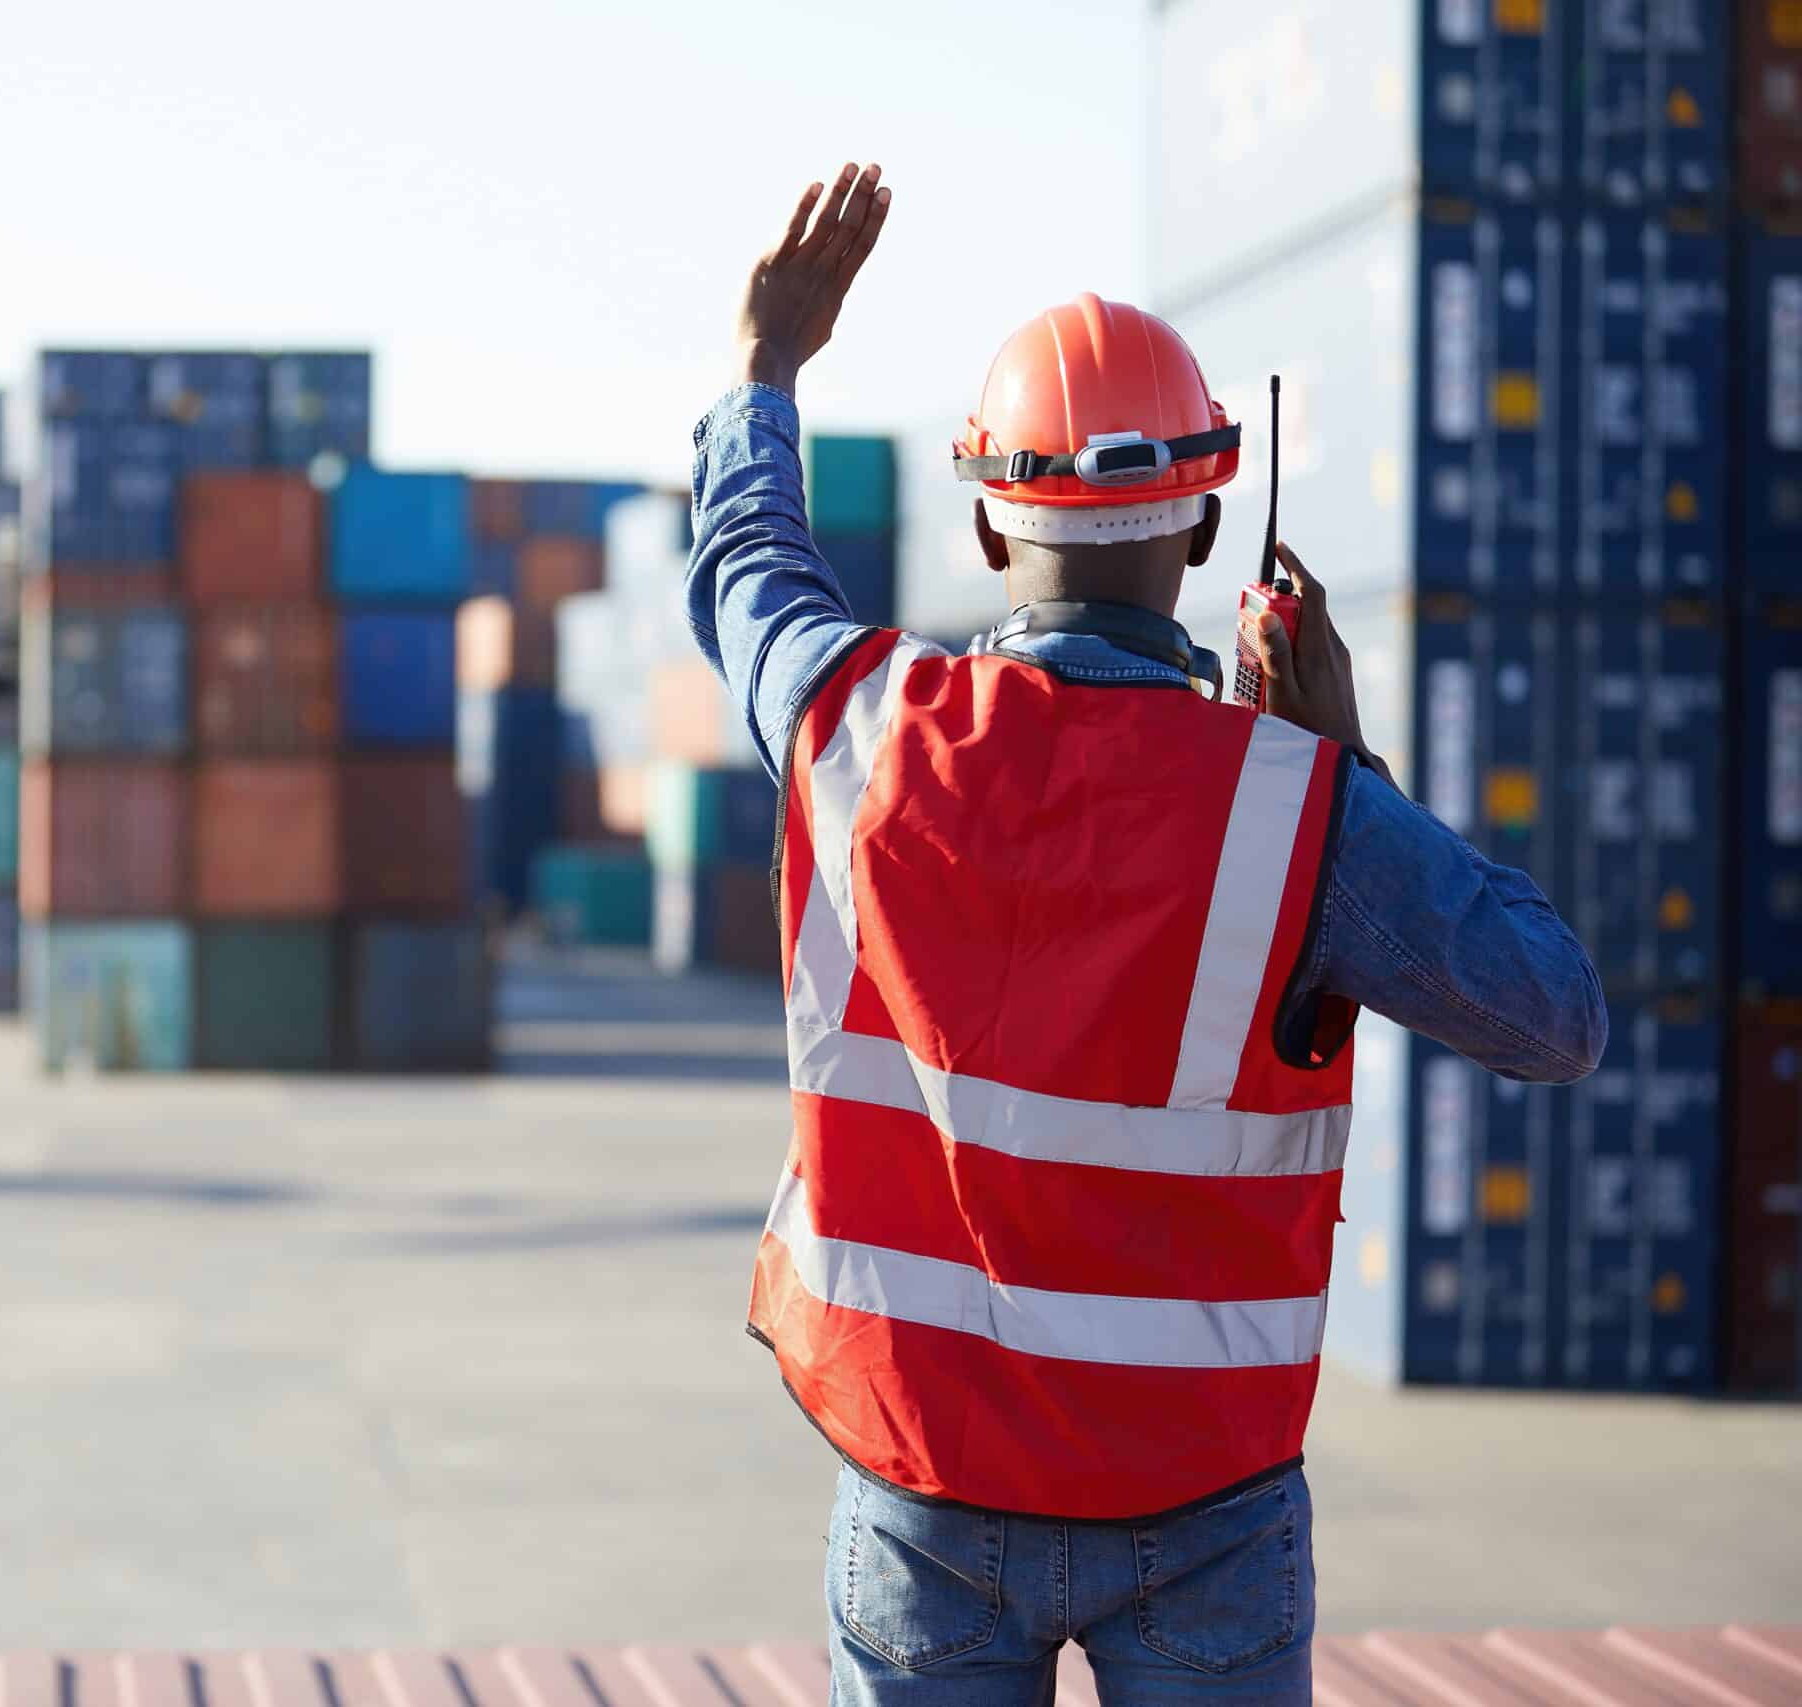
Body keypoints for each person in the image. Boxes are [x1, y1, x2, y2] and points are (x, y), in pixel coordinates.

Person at [685, 162, 1608, 1707]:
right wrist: (1346, 766)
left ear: (990, 528)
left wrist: (765, 372)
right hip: (1207, 1510)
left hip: (923, 1487)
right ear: (1198, 534)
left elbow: (749, 579)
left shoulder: (865, 732)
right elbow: (1552, 1015)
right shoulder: (1300, 810)